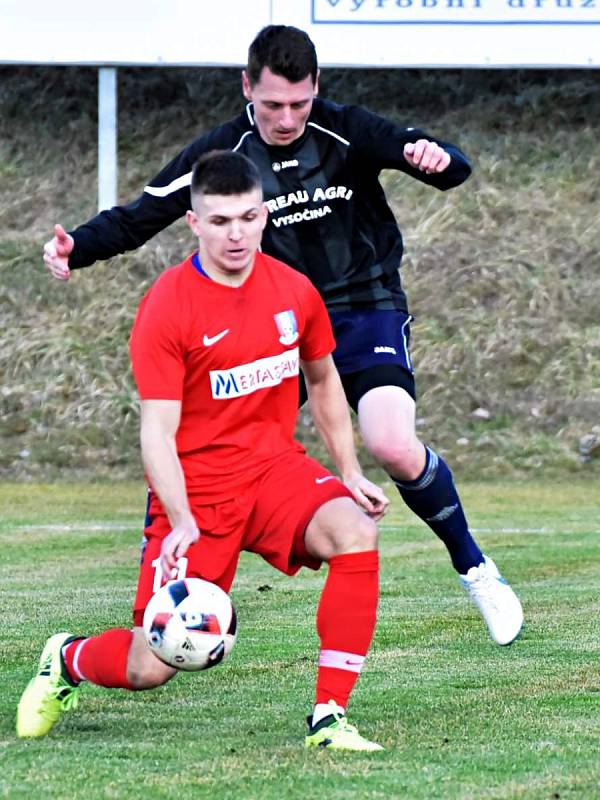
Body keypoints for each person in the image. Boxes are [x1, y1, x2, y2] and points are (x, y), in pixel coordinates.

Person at [42, 25, 523, 645]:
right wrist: (77, 247)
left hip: (362, 309)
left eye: (299, 103)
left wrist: (440, 160)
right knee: (197, 445)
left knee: (394, 444)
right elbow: (148, 211)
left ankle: (475, 568)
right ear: (247, 89)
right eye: (272, 105)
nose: (288, 117)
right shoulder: (226, 151)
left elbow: (442, 163)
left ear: (315, 89)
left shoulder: (345, 127)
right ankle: (167, 575)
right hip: (273, 323)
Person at [18, 150, 390, 751]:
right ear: (193, 224)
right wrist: (182, 520)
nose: (236, 234)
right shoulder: (168, 307)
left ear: (264, 213)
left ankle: (328, 718)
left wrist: (348, 469)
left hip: (273, 470)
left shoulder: (294, 291)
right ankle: (69, 659)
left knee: (355, 533)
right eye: (219, 222)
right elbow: (157, 433)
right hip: (196, 491)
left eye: (247, 217)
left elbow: (322, 378)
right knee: (151, 665)